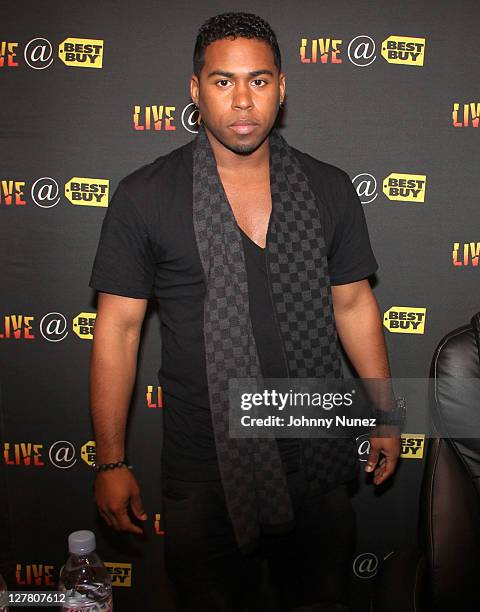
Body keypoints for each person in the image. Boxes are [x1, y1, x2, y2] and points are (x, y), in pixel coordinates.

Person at [88, 12, 401, 612]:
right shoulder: (144, 195)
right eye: (222, 81)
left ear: (282, 88)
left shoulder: (328, 187)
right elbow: (119, 332)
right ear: (194, 89)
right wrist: (111, 460)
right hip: (204, 466)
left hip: (316, 451)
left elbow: (355, 303)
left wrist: (387, 410)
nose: (241, 100)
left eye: (258, 81)